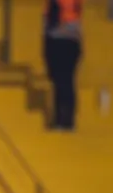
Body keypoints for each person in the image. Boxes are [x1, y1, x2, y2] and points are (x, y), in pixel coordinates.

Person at [43, 0, 82, 130]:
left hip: (59, 41)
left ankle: (62, 119)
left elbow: (49, 24)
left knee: (61, 82)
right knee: (66, 82)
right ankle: (66, 119)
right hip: (71, 41)